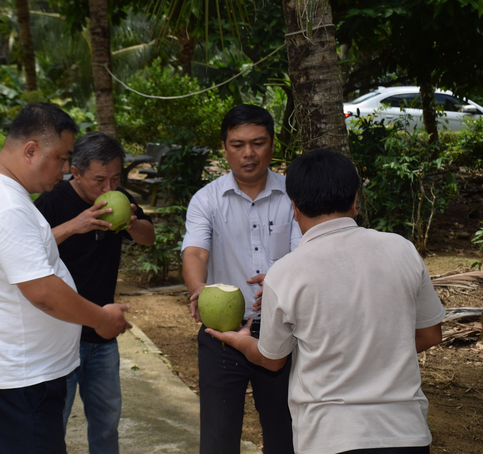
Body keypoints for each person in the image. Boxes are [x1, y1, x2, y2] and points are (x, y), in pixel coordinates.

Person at [207, 149, 445, 454]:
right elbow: (430, 333)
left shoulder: (287, 272)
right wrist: (374, 354)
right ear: (356, 199)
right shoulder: (402, 250)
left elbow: (272, 358)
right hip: (406, 433)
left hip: (330, 436)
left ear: (294, 207)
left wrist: (239, 341)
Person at [0, 103, 132, 454]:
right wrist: (101, 319)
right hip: (21, 383)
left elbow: (24, 252)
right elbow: (43, 292)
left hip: (13, 375)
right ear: (31, 150)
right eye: (62, 158)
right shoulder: (7, 206)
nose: (66, 170)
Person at [181, 104, 301, 454]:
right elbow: (195, 251)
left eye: (258, 142)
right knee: (218, 437)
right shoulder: (206, 200)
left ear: (273, 144)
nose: (248, 153)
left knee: (285, 433)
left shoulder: (295, 195)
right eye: (237, 144)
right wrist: (198, 288)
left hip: (283, 330)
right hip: (223, 333)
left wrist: (280, 281)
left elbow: (302, 253)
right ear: (225, 147)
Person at [34, 131, 155, 454]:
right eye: (99, 180)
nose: (108, 189)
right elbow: (28, 248)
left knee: (106, 424)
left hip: (102, 337)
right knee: (51, 426)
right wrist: (77, 224)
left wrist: (130, 222)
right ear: (75, 172)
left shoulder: (120, 197)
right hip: (59, 338)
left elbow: (148, 238)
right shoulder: (52, 202)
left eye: (115, 178)